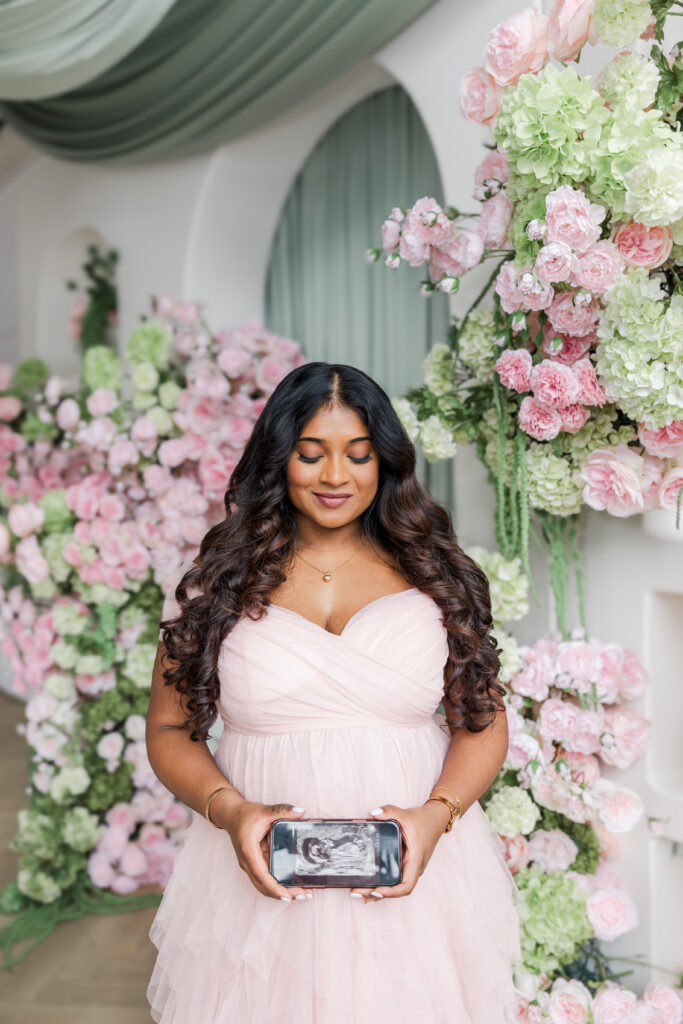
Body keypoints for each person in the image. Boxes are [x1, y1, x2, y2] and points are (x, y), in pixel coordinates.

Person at [145, 361, 522, 1024]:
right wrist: (231, 812)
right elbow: (170, 730)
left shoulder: (434, 572)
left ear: (385, 461)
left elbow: (482, 720)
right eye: (311, 454)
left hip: (419, 872)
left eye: (358, 454)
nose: (335, 476)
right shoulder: (219, 583)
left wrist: (435, 817)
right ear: (278, 459)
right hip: (257, 875)